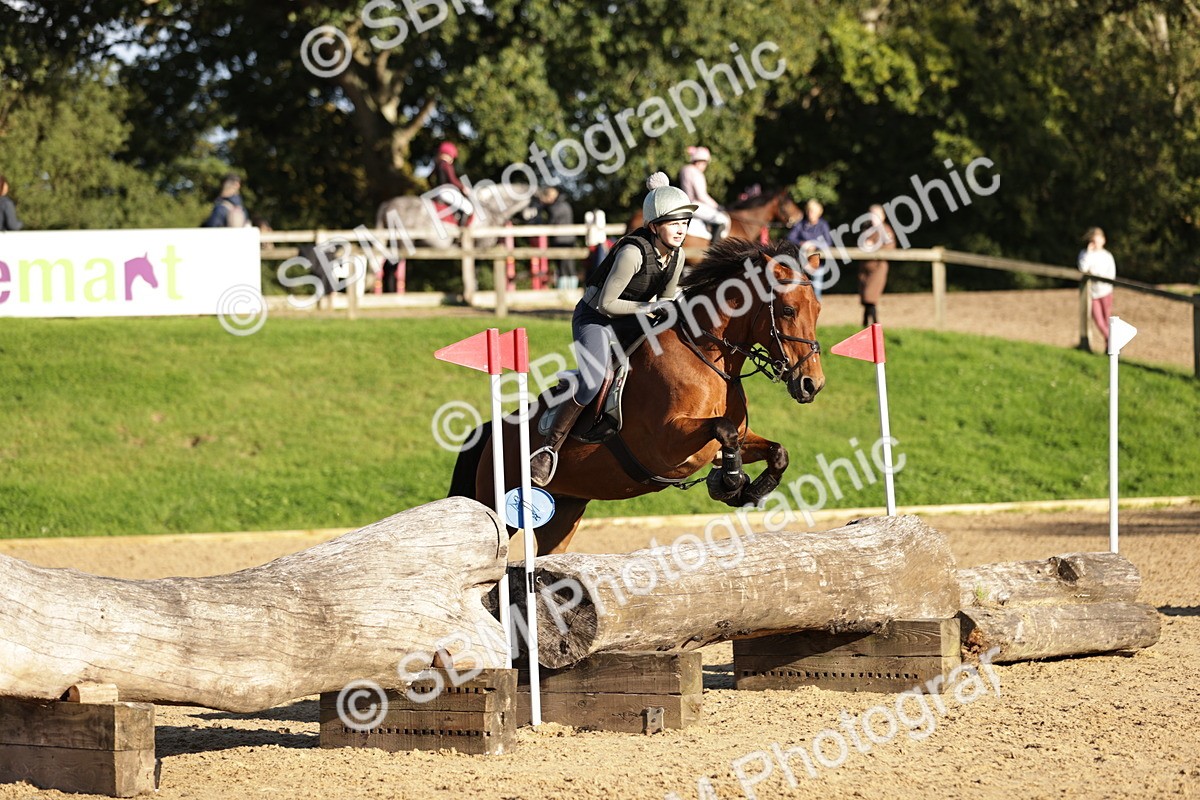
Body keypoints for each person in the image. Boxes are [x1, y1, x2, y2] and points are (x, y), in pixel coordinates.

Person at [529, 172, 695, 486]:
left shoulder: (677, 257)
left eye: (685, 223)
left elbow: (668, 301)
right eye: (674, 223)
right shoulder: (632, 252)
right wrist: (651, 309)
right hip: (596, 319)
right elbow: (607, 304)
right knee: (594, 379)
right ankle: (548, 448)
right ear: (653, 225)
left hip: (630, 319)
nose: (681, 230)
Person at [524, 185, 577, 288]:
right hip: (568, 239)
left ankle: (565, 291)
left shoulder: (556, 208)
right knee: (568, 267)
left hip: (561, 240)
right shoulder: (563, 205)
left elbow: (550, 222)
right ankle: (569, 290)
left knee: (563, 268)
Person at [677, 146, 730, 240]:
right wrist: (717, 206)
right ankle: (714, 249)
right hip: (696, 204)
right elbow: (701, 195)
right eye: (704, 163)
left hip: (684, 203)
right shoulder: (696, 172)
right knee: (722, 220)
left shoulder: (684, 169)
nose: (705, 166)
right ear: (700, 161)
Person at [1078, 226, 1117, 351]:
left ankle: (1109, 347)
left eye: (1097, 240)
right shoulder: (1084, 254)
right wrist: (1089, 253)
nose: (1095, 243)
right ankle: (1114, 343)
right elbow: (1083, 268)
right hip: (1092, 293)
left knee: (1107, 320)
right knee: (1099, 321)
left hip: (1106, 292)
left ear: (1103, 240)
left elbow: (1111, 274)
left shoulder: (1107, 256)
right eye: (1093, 241)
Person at [786, 199, 833, 299]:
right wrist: (801, 243)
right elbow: (790, 238)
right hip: (802, 262)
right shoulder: (801, 224)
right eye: (809, 211)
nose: (810, 213)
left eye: (813, 211)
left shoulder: (823, 225)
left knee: (816, 289)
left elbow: (828, 242)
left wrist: (815, 245)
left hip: (818, 263)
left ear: (819, 213)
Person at [858, 204, 895, 326]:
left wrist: (874, 246)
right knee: (866, 297)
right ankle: (867, 323)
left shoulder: (886, 230)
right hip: (865, 268)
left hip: (878, 267)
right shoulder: (866, 229)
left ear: (882, 217)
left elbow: (890, 246)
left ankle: (873, 322)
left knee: (871, 296)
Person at [431, 141, 473, 225]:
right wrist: (463, 188)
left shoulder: (437, 165)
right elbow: (453, 180)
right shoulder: (446, 165)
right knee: (469, 208)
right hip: (447, 192)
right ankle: (461, 233)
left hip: (437, 193)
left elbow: (429, 178)